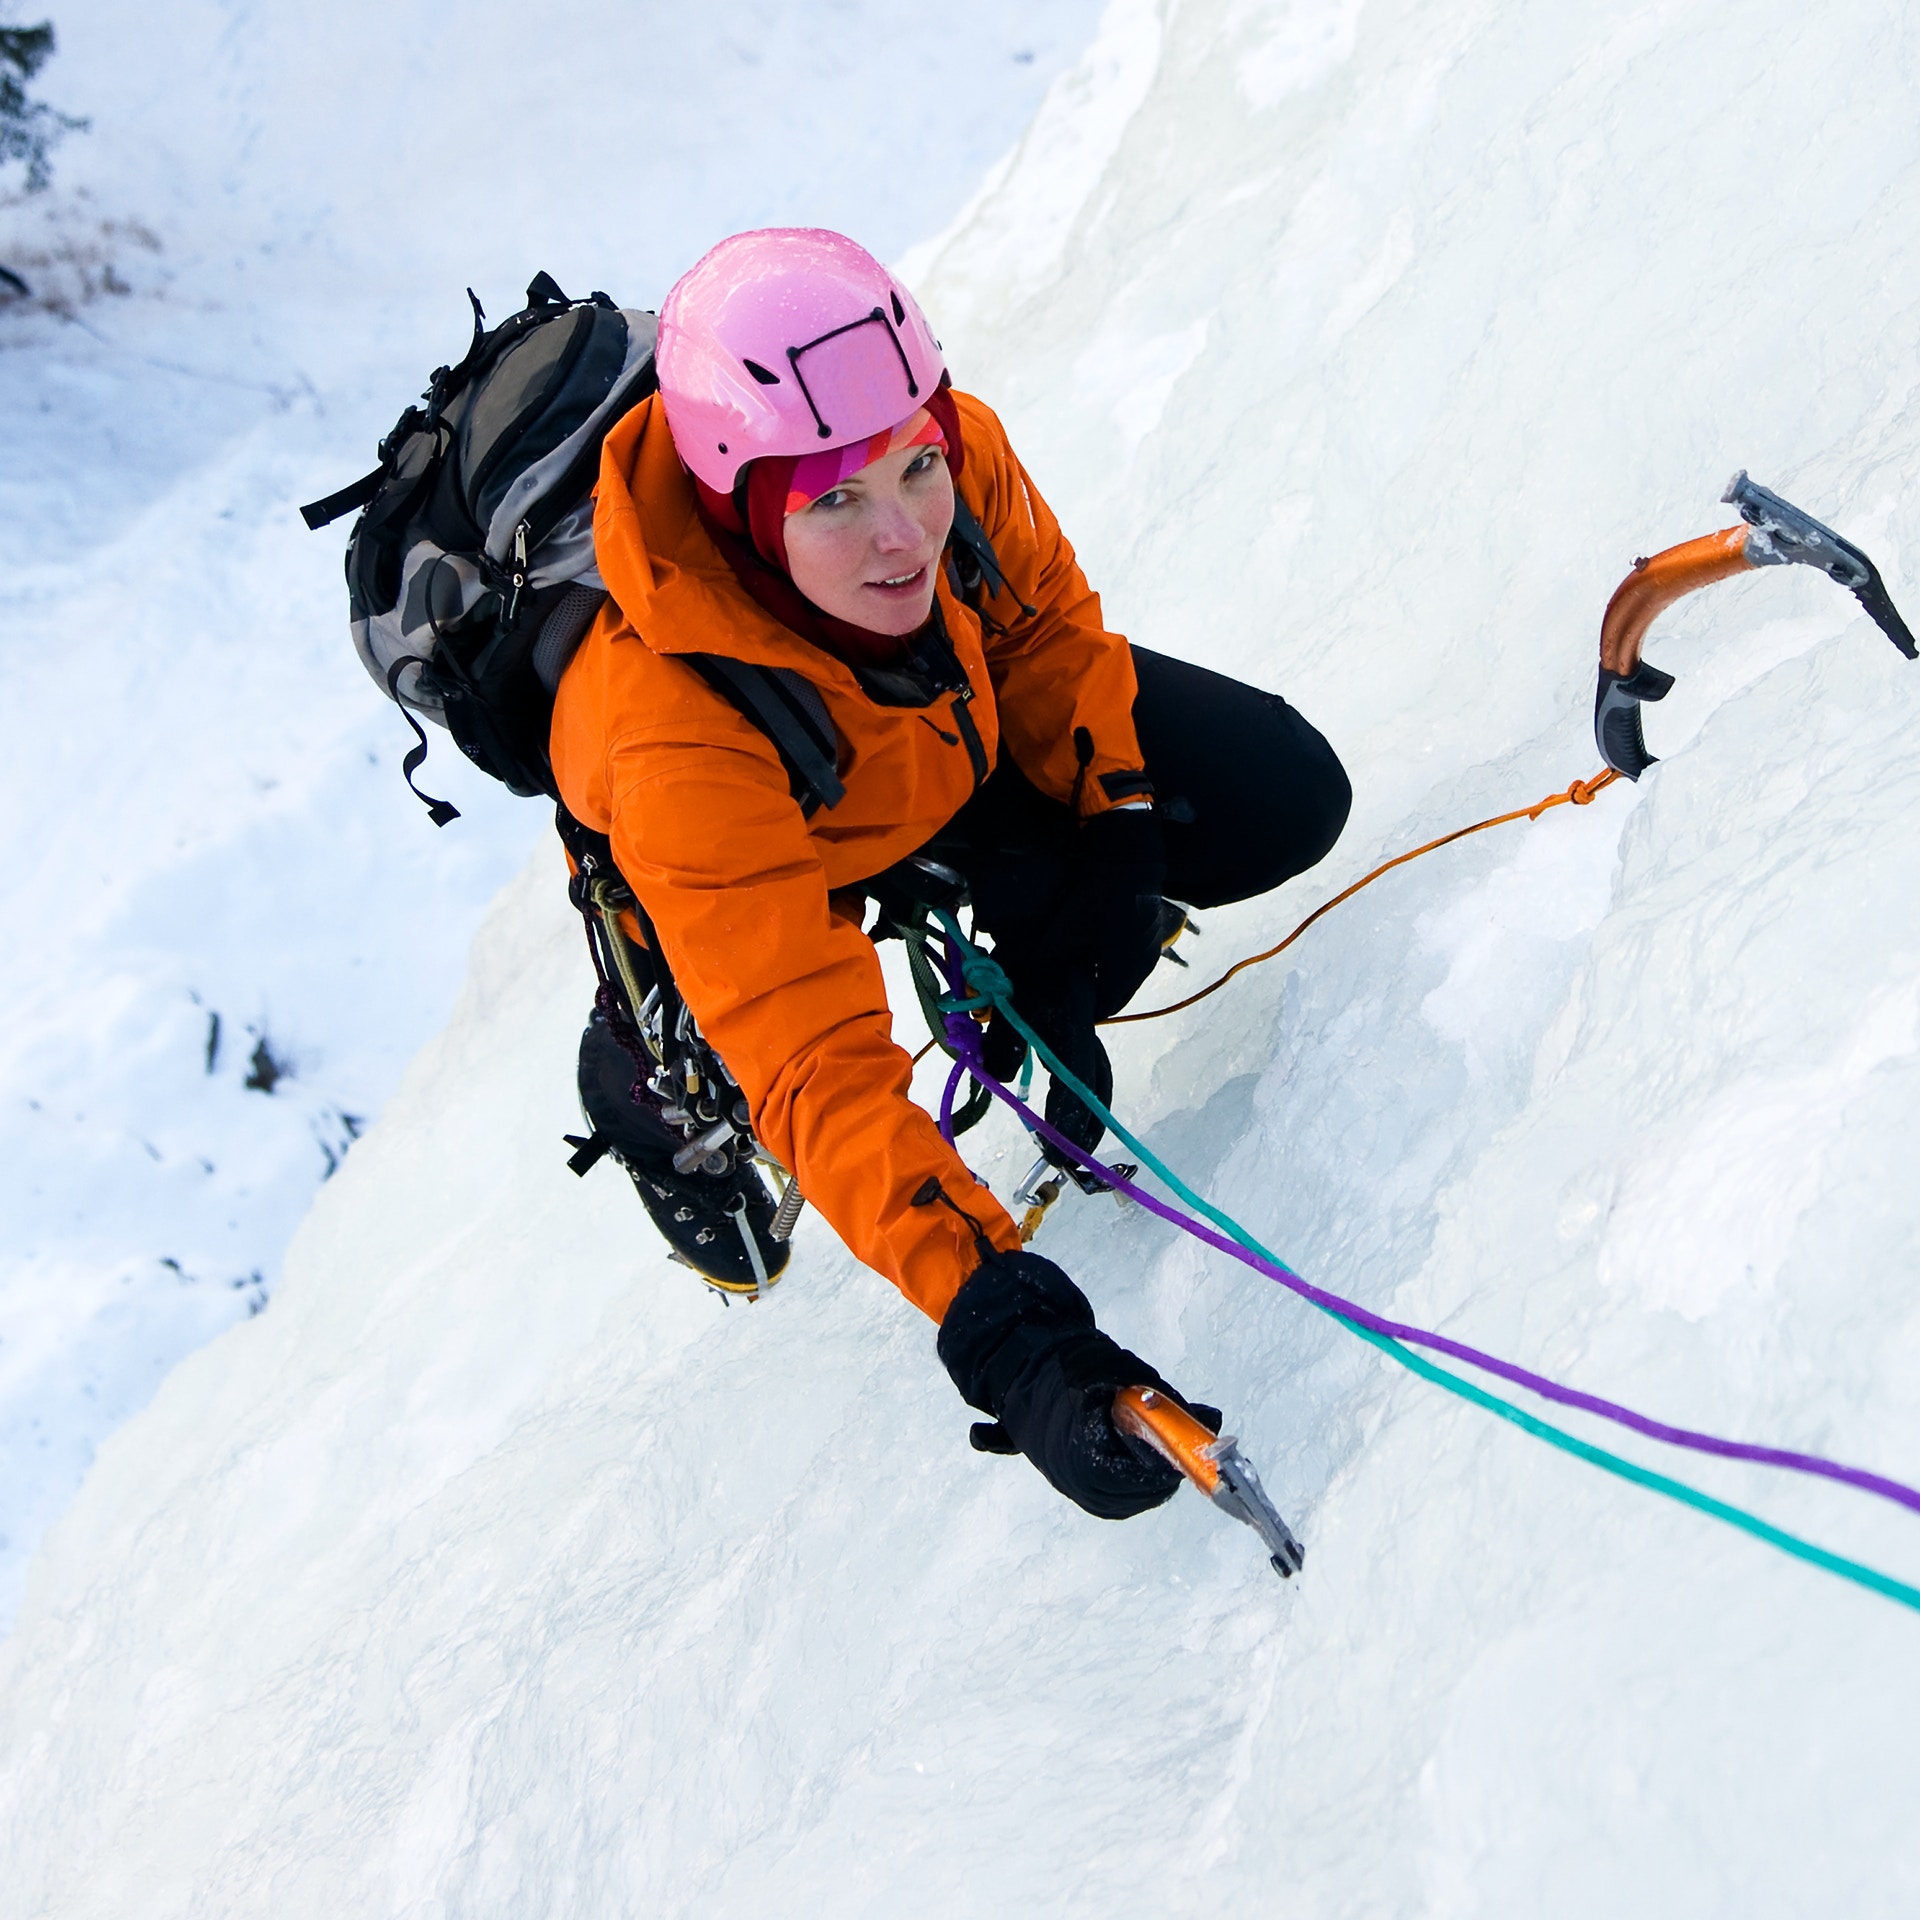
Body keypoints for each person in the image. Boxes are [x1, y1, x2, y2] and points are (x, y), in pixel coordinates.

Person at [550, 229, 1350, 1523]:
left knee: (1280, 797)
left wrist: (1116, 839)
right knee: (747, 1044)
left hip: (923, 731)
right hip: (757, 819)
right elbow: (823, 1072)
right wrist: (1009, 1330)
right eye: (831, 503)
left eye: (916, 470)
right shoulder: (670, 734)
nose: (903, 536)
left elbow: (1044, 628)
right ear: (738, 507)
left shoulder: (946, 449)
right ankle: (647, 1047)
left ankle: (965, 869)